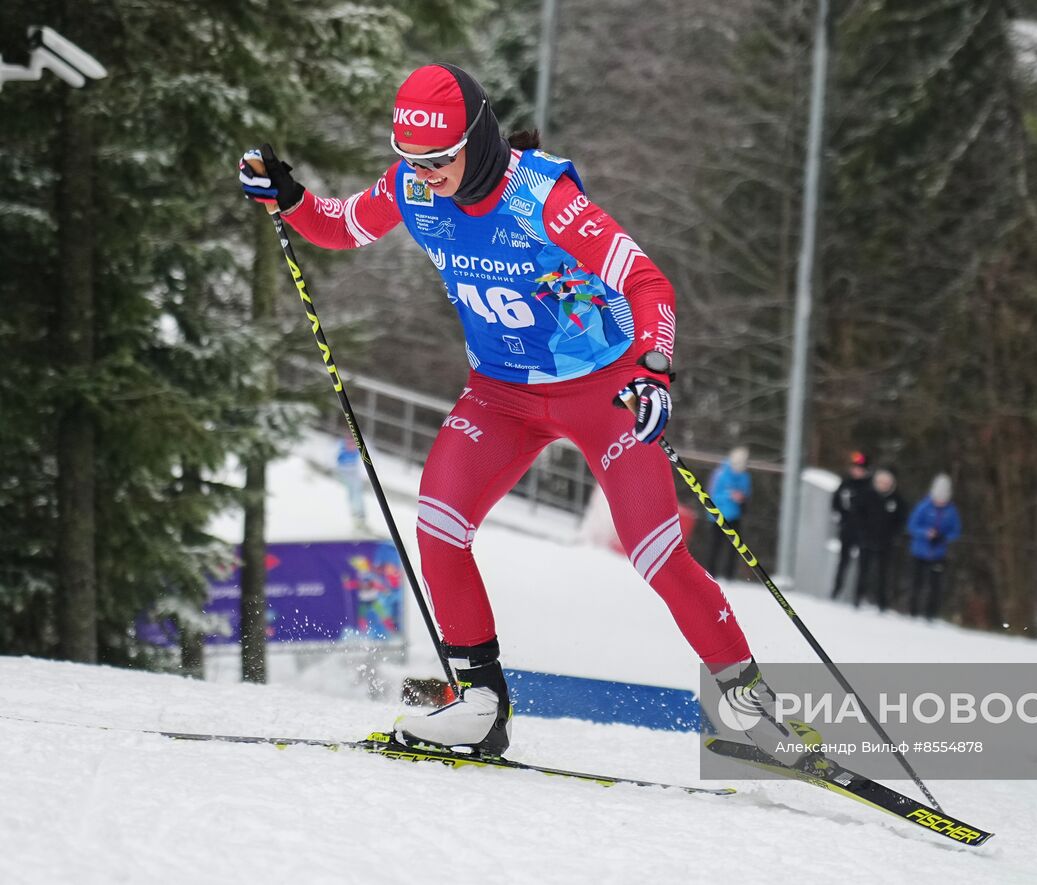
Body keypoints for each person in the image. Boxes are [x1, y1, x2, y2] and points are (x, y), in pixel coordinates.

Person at [238, 63, 809, 764]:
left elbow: (646, 280)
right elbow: (342, 226)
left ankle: (746, 702)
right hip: (501, 393)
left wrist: (655, 371)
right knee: (440, 524)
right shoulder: (412, 186)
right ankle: (480, 704)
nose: (428, 174)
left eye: (441, 159)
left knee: (655, 550)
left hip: (602, 385)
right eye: (413, 160)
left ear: (475, 140)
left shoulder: (542, 196)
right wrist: (291, 198)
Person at [906, 473, 961, 619]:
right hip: (919, 551)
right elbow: (912, 525)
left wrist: (943, 537)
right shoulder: (924, 506)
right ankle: (913, 611)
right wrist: (925, 533)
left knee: (935, 585)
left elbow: (956, 531)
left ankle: (930, 614)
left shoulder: (951, 511)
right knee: (917, 583)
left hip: (938, 553)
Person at [852, 468, 906, 611]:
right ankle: (858, 597)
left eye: (886, 483)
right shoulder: (867, 496)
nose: (883, 485)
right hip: (866, 539)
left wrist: (894, 536)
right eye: (880, 482)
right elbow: (858, 515)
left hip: (885, 543)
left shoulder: (896, 500)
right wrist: (862, 533)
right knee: (863, 570)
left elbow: (900, 521)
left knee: (883, 573)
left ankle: (882, 603)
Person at [703, 446, 751, 579]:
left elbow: (746, 494)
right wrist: (730, 495)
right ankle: (711, 573)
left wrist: (742, 498)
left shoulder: (745, 476)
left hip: (735, 516)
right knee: (715, 546)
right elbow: (712, 494)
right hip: (718, 516)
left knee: (735, 547)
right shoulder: (720, 474)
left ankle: (730, 576)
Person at [829, 451, 871, 600]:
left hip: (863, 530)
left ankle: (859, 595)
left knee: (863, 564)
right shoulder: (846, 483)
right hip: (847, 528)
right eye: (854, 468)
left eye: (859, 469)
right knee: (843, 561)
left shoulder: (869, 486)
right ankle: (836, 590)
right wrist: (841, 517)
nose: (856, 471)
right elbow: (836, 502)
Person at [335, 436, 369, 531]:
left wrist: (364, 475)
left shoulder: (360, 446)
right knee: (351, 495)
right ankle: (356, 516)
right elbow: (333, 458)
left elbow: (366, 460)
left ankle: (360, 517)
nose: (350, 445)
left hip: (355, 475)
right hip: (345, 474)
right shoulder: (340, 445)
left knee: (357, 494)